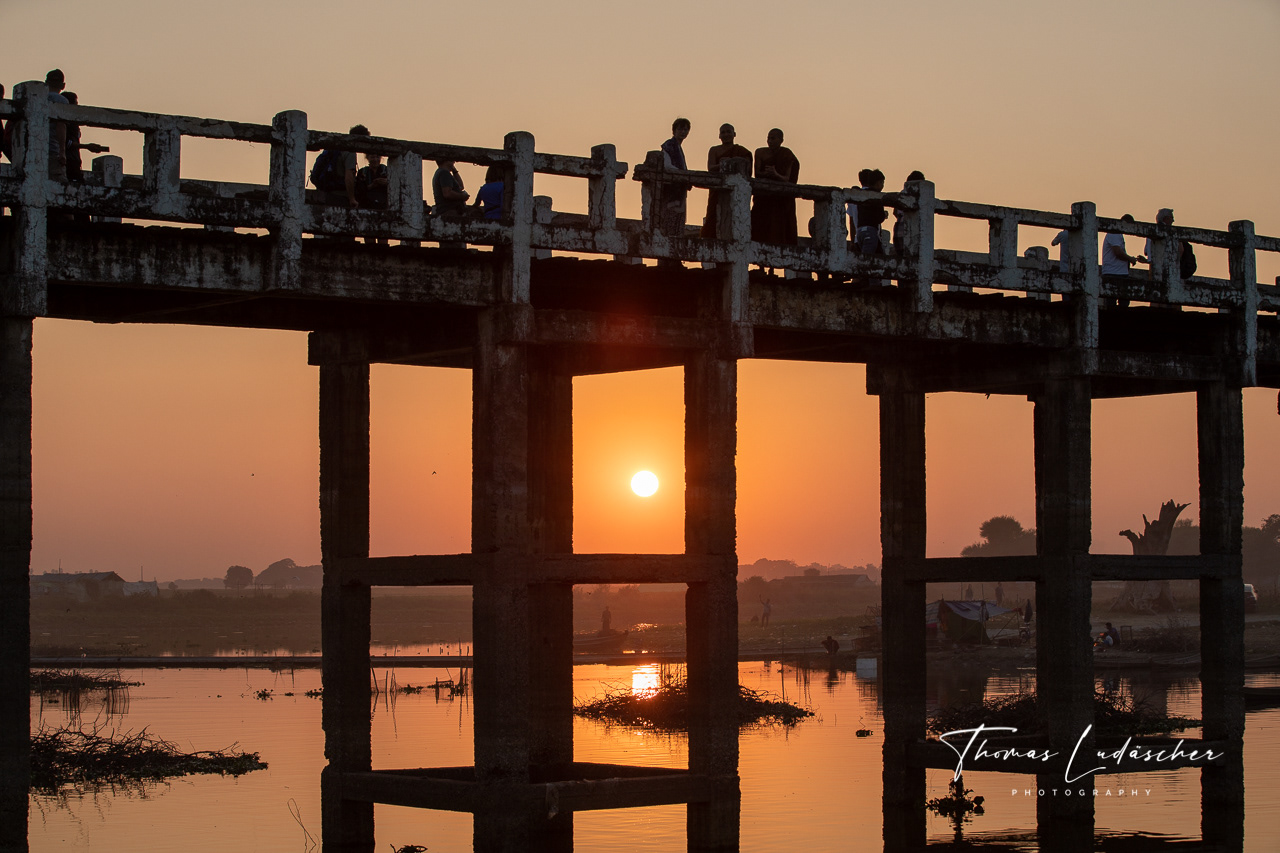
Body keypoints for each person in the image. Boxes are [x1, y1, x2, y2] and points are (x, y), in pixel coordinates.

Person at [701, 123, 752, 238]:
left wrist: (732, 161)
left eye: (729, 132)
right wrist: (724, 164)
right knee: (713, 217)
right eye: (723, 132)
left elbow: (747, 171)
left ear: (734, 134)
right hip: (717, 190)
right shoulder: (714, 150)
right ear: (719, 136)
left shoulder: (742, 152)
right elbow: (710, 168)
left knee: (736, 216)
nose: (726, 135)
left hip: (737, 192)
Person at [750, 128, 799, 247]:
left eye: (773, 138)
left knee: (779, 228)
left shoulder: (787, 154)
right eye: (768, 138)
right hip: (763, 198)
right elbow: (757, 174)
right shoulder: (760, 152)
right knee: (760, 227)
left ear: (781, 140)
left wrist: (775, 174)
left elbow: (787, 179)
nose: (770, 141)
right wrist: (768, 174)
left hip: (780, 200)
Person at [312, 124, 369, 208]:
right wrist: (352, 199)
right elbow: (349, 177)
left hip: (326, 193)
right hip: (340, 195)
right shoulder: (350, 152)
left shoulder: (335, 148)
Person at [1139, 208, 1197, 282]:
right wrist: (1175, 264)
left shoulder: (1150, 232)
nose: (1173, 220)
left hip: (1156, 271)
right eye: (1171, 218)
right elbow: (1181, 250)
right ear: (1166, 218)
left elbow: (1149, 254)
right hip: (1170, 269)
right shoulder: (1173, 232)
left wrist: (1147, 261)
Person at [658, 117, 691, 240]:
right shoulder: (669, 145)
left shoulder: (678, 147)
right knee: (669, 219)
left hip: (679, 190)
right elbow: (667, 166)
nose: (683, 132)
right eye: (680, 129)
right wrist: (683, 174)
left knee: (678, 220)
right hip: (671, 190)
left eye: (686, 129)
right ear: (674, 130)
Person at [1102, 213, 1141, 307]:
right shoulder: (1115, 233)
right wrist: (1130, 258)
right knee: (1113, 303)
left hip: (1118, 272)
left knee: (1121, 302)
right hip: (1114, 273)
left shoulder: (1117, 234)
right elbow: (1118, 252)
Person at [852, 168, 888, 256]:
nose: (882, 186)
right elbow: (879, 218)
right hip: (871, 231)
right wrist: (884, 215)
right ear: (877, 183)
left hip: (860, 232)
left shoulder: (861, 195)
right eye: (882, 183)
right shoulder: (877, 196)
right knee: (867, 259)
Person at [891, 170, 925, 253]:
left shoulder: (900, 194)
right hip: (912, 231)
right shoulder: (918, 196)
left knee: (899, 255)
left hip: (898, 227)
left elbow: (895, 212)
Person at [45, 69, 69, 183]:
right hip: (53, 149)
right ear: (63, 86)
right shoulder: (62, 100)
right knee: (59, 184)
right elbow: (61, 126)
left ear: (46, 83)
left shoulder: (39, 97)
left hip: (34, 148)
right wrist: (62, 152)